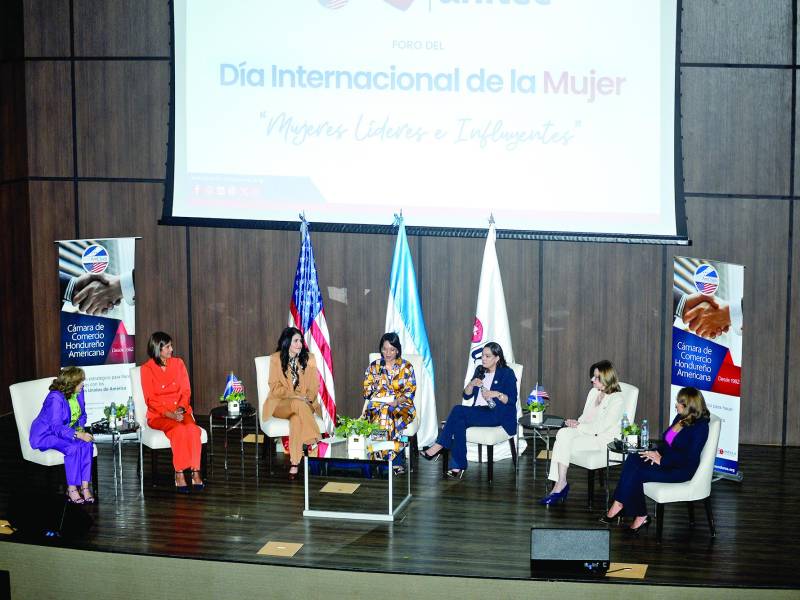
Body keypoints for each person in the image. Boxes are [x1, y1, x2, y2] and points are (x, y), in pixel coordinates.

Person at [602, 386, 710, 533]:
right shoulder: (681, 417)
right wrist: (654, 452)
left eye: (679, 402)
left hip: (680, 469)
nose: (675, 404)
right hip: (666, 458)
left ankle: (634, 512)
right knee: (634, 457)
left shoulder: (701, 427)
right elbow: (667, 440)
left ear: (688, 406)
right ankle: (621, 504)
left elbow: (689, 457)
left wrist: (662, 460)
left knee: (637, 472)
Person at [420, 342, 517, 479]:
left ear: (497, 358)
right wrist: (471, 384)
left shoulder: (507, 373)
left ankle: (439, 445)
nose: (483, 359)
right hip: (479, 412)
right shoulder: (480, 370)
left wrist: (497, 394)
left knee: (458, 410)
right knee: (459, 420)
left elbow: (511, 400)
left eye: (487, 356)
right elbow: (466, 395)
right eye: (482, 355)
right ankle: (457, 466)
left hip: (498, 414)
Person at [538, 360, 624, 505]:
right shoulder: (593, 392)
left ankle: (559, 485)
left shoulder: (617, 399)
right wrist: (575, 424)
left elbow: (601, 427)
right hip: (586, 431)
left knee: (563, 442)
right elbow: (585, 417)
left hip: (602, 439)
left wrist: (578, 426)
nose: (592, 380)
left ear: (607, 379)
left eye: (596, 377)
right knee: (563, 434)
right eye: (593, 376)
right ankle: (561, 482)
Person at [140, 332, 204, 493]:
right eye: (167, 346)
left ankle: (195, 471)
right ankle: (179, 473)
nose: (172, 349)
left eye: (170, 345)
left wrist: (181, 409)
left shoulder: (178, 363)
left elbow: (186, 391)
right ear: (157, 348)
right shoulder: (147, 369)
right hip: (159, 415)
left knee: (193, 430)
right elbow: (151, 400)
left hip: (181, 411)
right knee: (179, 430)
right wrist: (170, 415)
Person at [29, 366, 96, 504]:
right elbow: (55, 426)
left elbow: (82, 415)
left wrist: (80, 429)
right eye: (80, 382)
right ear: (71, 384)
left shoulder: (79, 392)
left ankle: (84, 487)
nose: (83, 384)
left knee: (87, 444)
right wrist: (77, 434)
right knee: (72, 448)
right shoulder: (55, 398)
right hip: (46, 434)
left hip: (65, 431)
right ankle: (71, 489)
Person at [264, 327, 322, 480]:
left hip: (305, 404)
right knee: (297, 404)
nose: (300, 344)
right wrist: (295, 397)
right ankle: (315, 442)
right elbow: (275, 387)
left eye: (301, 341)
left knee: (296, 419)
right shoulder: (276, 359)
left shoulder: (309, 358)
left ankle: (295, 463)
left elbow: (314, 388)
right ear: (287, 342)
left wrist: (305, 399)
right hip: (281, 404)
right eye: (296, 341)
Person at [361, 332, 416, 469]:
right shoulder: (374, 366)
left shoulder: (406, 367)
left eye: (392, 349)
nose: (388, 353)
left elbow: (410, 392)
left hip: (402, 406)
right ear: (381, 349)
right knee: (384, 412)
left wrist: (397, 401)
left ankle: (381, 459)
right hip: (377, 406)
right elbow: (367, 393)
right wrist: (376, 384)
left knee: (387, 414)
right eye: (385, 349)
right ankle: (394, 460)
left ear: (397, 350)